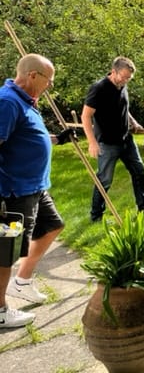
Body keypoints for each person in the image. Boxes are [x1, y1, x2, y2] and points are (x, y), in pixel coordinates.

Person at [0, 54, 75, 328]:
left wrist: (57, 139)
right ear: (33, 75)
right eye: (49, 81)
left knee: (53, 225)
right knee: (5, 252)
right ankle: (0, 312)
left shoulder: (26, 101)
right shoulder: (7, 102)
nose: (50, 86)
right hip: (13, 192)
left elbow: (25, 139)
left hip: (34, 187)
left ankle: (22, 281)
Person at [81, 56, 144, 222]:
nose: (126, 81)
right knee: (104, 179)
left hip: (126, 140)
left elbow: (123, 107)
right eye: (124, 77)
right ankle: (96, 216)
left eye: (129, 78)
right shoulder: (99, 88)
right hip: (107, 143)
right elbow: (86, 116)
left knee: (139, 171)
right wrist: (92, 142)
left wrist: (133, 122)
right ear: (113, 72)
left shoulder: (122, 86)